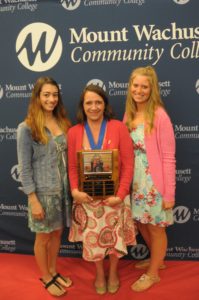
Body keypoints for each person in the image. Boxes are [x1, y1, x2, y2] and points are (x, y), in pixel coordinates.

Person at [67, 84, 136, 295]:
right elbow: (71, 166)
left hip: (114, 197)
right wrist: (75, 191)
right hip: (87, 198)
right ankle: (99, 272)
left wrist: (121, 194)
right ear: (83, 106)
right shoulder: (74, 132)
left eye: (98, 102)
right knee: (93, 240)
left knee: (115, 239)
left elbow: (128, 163)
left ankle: (113, 271)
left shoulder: (118, 127)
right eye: (89, 102)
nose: (94, 107)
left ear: (105, 104)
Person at [17, 77, 72, 297]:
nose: (51, 99)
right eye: (46, 95)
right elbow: (24, 167)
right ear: (37, 97)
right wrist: (33, 199)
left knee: (57, 234)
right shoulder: (26, 128)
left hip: (63, 192)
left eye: (54, 95)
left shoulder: (63, 123)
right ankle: (46, 277)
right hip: (42, 194)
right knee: (43, 238)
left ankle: (53, 271)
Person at [124, 66, 176, 292]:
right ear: (130, 87)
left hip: (154, 184)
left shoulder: (160, 116)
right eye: (136, 85)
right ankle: (158, 258)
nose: (139, 90)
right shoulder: (129, 114)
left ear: (152, 89)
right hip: (135, 184)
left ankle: (153, 273)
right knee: (141, 222)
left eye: (144, 86)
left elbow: (168, 157)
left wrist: (169, 193)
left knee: (156, 228)